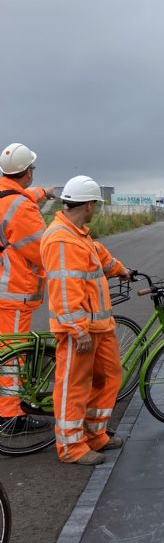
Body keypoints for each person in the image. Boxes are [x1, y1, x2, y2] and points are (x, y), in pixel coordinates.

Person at [39, 175, 132, 465]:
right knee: (74, 387)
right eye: (96, 205)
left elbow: (99, 259)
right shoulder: (61, 240)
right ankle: (71, 447)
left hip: (99, 328)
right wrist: (78, 331)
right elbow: (65, 293)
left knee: (109, 377)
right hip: (80, 330)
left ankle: (95, 434)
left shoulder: (78, 233)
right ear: (89, 205)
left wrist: (121, 270)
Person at [0, 142, 56, 436]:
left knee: (4, 349)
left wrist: (43, 192)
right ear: (26, 172)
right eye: (32, 168)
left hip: (3, 289)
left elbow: (20, 197)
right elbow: (42, 248)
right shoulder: (20, 208)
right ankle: (10, 417)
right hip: (14, 291)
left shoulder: (5, 193)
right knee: (13, 354)